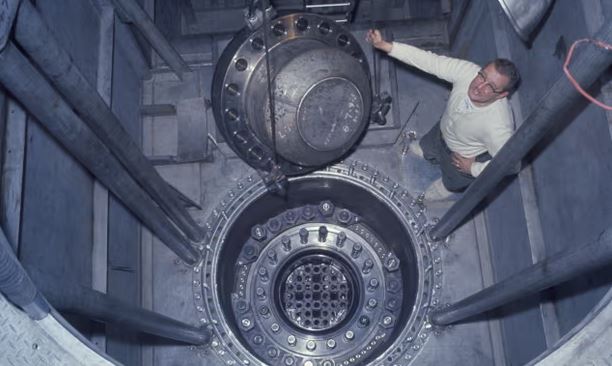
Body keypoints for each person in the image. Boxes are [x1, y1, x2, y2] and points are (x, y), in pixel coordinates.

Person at [366, 29, 520, 197]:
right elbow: (431, 61)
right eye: (482, 76)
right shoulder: (468, 72)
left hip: (460, 157)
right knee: (428, 145)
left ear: (502, 95)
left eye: (490, 87)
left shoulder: (498, 126)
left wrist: (473, 168)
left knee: (453, 180)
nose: (479, 86)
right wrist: (386, 46)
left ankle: (444, 189)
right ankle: (428, 151)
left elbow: (511, 165)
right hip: (442, 130)